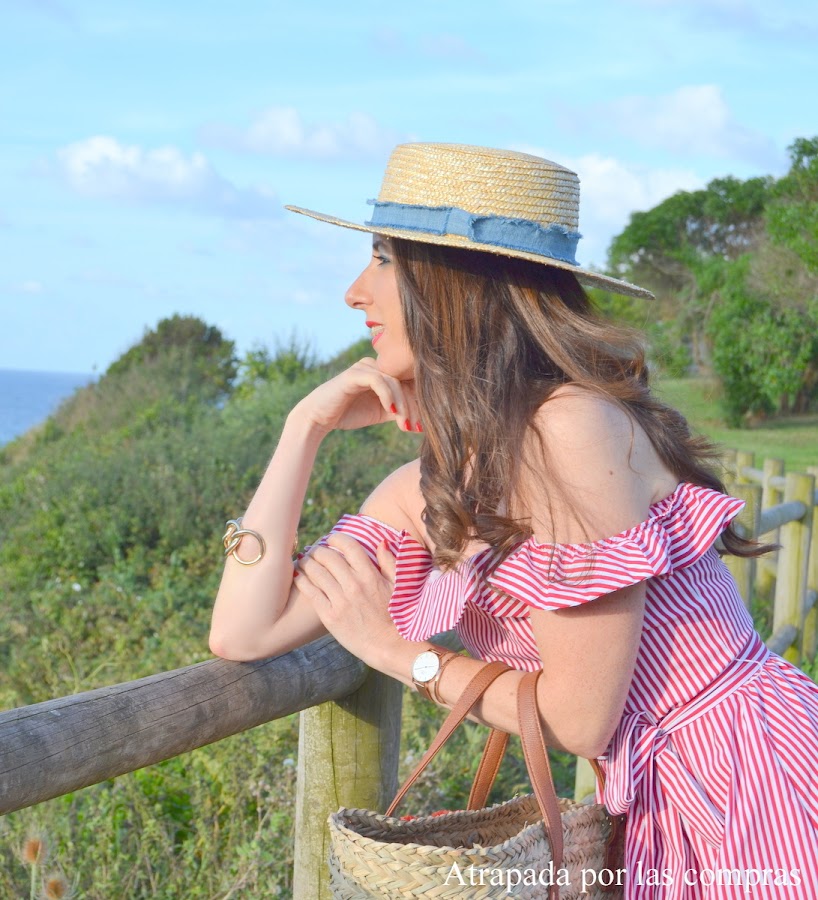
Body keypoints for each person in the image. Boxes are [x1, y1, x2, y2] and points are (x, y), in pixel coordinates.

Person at [209, 143, 818, 897]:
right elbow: (242, 633)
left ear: (454, 282)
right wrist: (302, 429)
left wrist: (397, 652)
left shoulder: (567, 430)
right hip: (666, 806)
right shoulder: (433, 483)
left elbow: (580, 721)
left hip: (754, 783)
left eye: (383, 259)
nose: (354, 291)